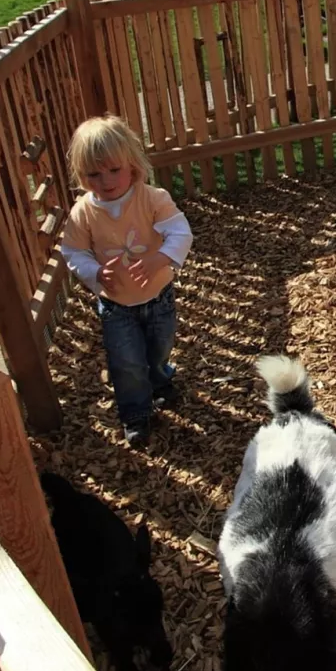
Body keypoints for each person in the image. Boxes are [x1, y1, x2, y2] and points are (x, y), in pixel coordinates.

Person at [59, 116, 193, 447]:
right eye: (94, 174)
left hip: (158, 295)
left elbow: (180, 232)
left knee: (160, 346)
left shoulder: (151, 198)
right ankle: (135, 412)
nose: (105, 181)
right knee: (126, 361)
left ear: (131, 164)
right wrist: (94, 273)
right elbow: (73, 251)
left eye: (113, 170)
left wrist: (158, 258)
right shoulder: (83, 213)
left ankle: (160, 380)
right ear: (82, 175)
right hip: (116, 304)